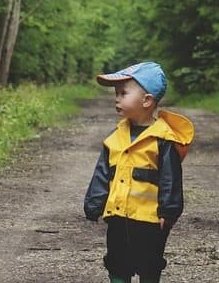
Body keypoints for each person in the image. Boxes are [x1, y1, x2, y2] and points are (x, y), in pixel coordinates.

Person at [83, 61, 194, 283]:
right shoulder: (115, 137)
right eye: (116, 93)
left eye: (123, 93)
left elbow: (170, 177)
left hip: (150, 220)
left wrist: (169, 209)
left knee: (149, 263)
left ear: (147, 100)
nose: (117, 98)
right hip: (117, 216)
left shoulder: (163, 140)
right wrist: (94, 202)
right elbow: (103, 172)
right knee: (116, 261)